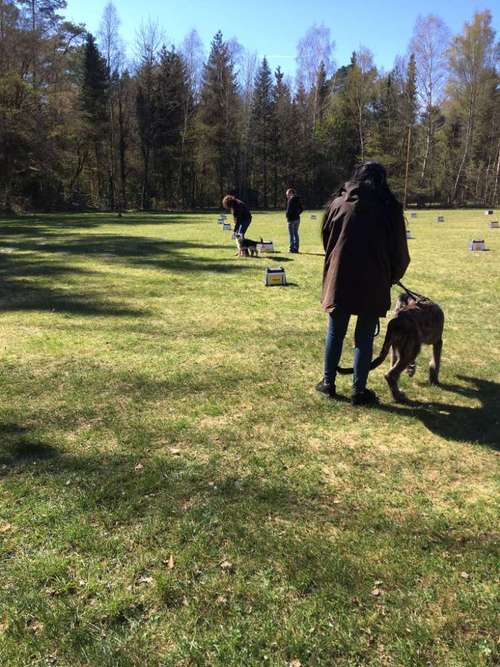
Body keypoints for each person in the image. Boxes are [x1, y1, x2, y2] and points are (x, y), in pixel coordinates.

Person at [316, 161, 410, 405]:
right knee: (365, 335)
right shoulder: (389, 209)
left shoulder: (338, 204)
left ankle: (328, 383)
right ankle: (359, 389)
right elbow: (400, 251)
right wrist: (392, 276)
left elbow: (327, 240)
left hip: (340, 277)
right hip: (374, 279)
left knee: (335, 331)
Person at [285, 188, 303, 253]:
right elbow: (301, 209)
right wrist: (297, 213)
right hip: (297, 219)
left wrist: (287, 216)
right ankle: (296, 248)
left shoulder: (290, 200)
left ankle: (291, 249)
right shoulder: (298, 199)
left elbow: (288, 210)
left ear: (290, 193)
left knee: (291, 235)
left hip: (291, 220)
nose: (287, 196)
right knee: (296, 233)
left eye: (287, 194)